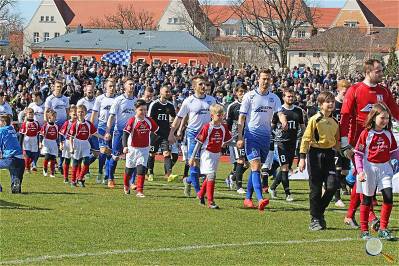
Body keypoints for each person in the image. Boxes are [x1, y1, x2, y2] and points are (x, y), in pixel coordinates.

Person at [340, 59, 399, 229]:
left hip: (377, 144)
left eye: (381, 70)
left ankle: (350, 215)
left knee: (363, 180)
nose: (381, 74)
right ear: (368, 72)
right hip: (358, 144)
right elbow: (345, 117)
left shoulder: (384, 91)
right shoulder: (355, 90)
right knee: (363, 178)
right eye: (378, 71)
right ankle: (372, 217)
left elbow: (395, 111)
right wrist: (344, 143)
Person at [237, 69, 287, 211]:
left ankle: (247, 198)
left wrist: (283, 122)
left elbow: (280, 113)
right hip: (251, 136)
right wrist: (240, 136)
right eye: (263, 78)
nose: (265, 81)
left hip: (265, 137)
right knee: (256, 166)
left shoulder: (274, 98)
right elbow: (241, 118)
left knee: (256, 169)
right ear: (258, 79)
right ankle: (260, 199)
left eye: (268, 79)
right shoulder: (249, 96)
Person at [354, 103, 397, 240]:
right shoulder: (366, 133)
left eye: (387, 118)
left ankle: (383, 228)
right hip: (368, 169)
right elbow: (358, 154)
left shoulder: (388, 134)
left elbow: (395, 153)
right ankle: (364, 230)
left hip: (385, 169)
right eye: (382, 118)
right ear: (373, 117)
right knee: (367, 200)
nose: (385, 121)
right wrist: (360, 171)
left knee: (388, 197)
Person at [168, 76, 216, 197]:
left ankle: (188, 180)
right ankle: (199, 192)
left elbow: (216, 118)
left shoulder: (211, 100)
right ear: (194, 87)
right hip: (193, 134)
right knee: (194, 163)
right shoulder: (188, 101)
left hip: (207, 135)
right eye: (200, 84)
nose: (203, 86)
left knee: (203, 166)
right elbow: (179, 118)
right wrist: (171, 133)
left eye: (204, 84)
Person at [298, 91, 340, 231]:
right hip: (315, 154)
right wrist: (302, 158)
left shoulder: (335, 122)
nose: (331, 104)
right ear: (321, 104)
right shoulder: (314, 120)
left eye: (332, 101)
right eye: (328, 101)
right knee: (315, 189)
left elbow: (337, 142)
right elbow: (306, 139)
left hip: (329, 155)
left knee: (332, 186)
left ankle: (318, 212)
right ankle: (315, 219)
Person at [190, 104, 232, 209]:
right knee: (211, 176)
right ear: (212, 115)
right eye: (219, 115)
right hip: (207, 153)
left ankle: (200, 194)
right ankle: (210, 201)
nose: (221, 117)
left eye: (222, 115)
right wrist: (192, 157)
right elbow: (199, 143)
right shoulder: (207, 127)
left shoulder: (223, 127)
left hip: (216, 154)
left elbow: (228, 141)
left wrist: (237, 143)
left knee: (210, 176)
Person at [269, 88, 305, 202]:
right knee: (284, 167)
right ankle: (288, 193)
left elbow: (302, 127)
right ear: (283, 97)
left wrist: (304, 138)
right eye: (288, 96)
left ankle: (272, 187)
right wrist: (275, 136)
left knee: (287, 168)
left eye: (292, 96)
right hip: (281, 143)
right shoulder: (278, 111)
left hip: (292, 142)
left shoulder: (298, 111)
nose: (290, 98)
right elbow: (272, 126)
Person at [105, 78, 137, 188]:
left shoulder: (136, 101)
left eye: (133, 84)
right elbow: (112, 116)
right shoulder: (118, 100)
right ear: (124, 87)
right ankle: (110, 178)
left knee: (133, 156)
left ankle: (132, 182)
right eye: (130, 84)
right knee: (115, 156)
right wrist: (108, 131)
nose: (132, 86)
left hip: (132, 133)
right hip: (119, 132)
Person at [122, 99, 159, 197]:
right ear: (136, 110)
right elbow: (125, 134)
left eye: (145, 110)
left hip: (144, 149)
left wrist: (151, 142)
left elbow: (156, 132)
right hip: (132, 149)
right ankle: (126, 185)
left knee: (141, 169)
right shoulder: (132, 121)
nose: (143, 112)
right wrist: (125, 146)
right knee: (129, 170)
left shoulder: (149, 121)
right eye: (141, 110)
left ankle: (140, 191)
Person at [147, 85, 177, 182]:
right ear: (160, 92)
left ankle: (169, 174)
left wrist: (173, 130)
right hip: (154, 134)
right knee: (152, 154)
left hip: (165, 133)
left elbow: (175, 118)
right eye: (166, 91)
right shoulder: (154, 104)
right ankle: (150, 172)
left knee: (166, 153)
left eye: (169, 92)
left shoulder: (170, 105)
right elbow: (149, 119)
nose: (168, 93)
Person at [69, 105, 102, 187]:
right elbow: (71, 137)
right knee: (76, 163)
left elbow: (94, 133)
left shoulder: (88, 124)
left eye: (82, 112)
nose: (80, 113)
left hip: (86, 144)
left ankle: (80, 178)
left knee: (86, 161)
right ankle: (73, 180)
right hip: (77, 143)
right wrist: (71, 147)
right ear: (77, 113)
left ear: (85, 113)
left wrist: (103, 137)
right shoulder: (75, 124)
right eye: (79, 112)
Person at [90, 78, 116, 184]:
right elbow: (94, 114)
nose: (112, 88)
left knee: (110, 153)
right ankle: (101, 171)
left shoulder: (118, 99)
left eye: (114, 86)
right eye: (110, 86)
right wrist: (91, 129)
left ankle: (107, 175)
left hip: (114, 128)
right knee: (103, 150)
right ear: (105, 86)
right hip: (101, 127)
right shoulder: (100, 99)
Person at [225, 84, 247, 194]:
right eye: (240, 92)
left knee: (247, 163)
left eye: (244, 91)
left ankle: (232, 177)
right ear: (236, 93)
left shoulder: (250, 105)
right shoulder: (232, 106)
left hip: (248, 136)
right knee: (240, 160)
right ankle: (239, 187)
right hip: (236, 138)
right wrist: (229, 137)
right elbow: (228, 124)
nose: (242, 94)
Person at [44, 80, 70, 174]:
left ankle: (60, 165)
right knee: (53, 146)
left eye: (60, 86)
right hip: (53, 126)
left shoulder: (65, 99)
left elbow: (67, 112)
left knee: (64, 145)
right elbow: (46, 112)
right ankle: (54, 163)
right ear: (54, 87)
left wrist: (68, 123)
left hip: (63, 125)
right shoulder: (50, 99)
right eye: (57, 86)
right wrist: (47, 124)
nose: (59, 88)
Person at [332, 79, 351, 208]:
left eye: (347, 89)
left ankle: (336, 186)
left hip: (346, 140)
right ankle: (337, 197)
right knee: (337, 169)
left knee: (345, 171)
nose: (346, 91)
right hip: (334, 140)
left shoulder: (349, 104)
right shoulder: (333, 103)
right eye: (344, 88)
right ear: (338, 89)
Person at [0, 114, 25, 193]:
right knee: (14, 171)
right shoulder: (12, 129)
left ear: (3, 122)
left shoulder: (1, 130)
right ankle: (15, 185)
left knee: (11, 165)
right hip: (21, 158)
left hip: (11, 158)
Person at [77, 83, 98, 169]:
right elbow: (77, 115)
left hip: (94, 129)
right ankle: (84, 170)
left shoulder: (97, 101)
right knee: (83, 152)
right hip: (83, 129)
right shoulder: (81, 102)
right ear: (85, 92)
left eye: (92, 92)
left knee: (96, 152)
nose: (91, 94)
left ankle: (85, 166)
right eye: (89, 92)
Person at [59, 105, 77, 184]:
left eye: (77, 114)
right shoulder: (67, 123)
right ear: (70, 114)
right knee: (67, 160)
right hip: (68, 143)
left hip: (77, 143)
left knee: (77, 161)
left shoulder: (80, 123)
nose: (76, 116)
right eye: (74, 114)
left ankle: (76, 178)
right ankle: (66, 177)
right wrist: (61, 143)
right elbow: (61, 134)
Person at [19, 108, 40, 172]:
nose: (31, 115)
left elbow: (39, 133)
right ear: (26, 115)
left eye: (32, 114)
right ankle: (27, 167)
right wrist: (20, 144)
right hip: (27, 139)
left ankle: (33, 165)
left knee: (35, 153)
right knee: (27, 154)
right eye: (29, 114)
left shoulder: (36, 123)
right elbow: (21, 134)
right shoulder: (25, 123)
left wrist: (39, 142)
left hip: (34, 139)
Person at [28, 91, 45, 170]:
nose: (32, 98)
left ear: (38, 97)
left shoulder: (44, 106)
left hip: (41, 130)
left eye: (33, 96)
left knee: (38, 147)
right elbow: (27, 116)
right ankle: (31, 162)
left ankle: (34, 163)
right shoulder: (31, 105)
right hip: (32, 130)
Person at [40, 109, 59, 178]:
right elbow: (41, 135)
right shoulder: (45, 126)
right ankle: (45, 170)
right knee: (47, 156)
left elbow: (57, 136)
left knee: (53, 158)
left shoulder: (56, 126)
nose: (55, 118)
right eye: (54, 117)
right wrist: (40, 143)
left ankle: (52, 173)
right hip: (46, 142)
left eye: (55, 117)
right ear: (49, 117)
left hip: (53, 142)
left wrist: (59, 143)